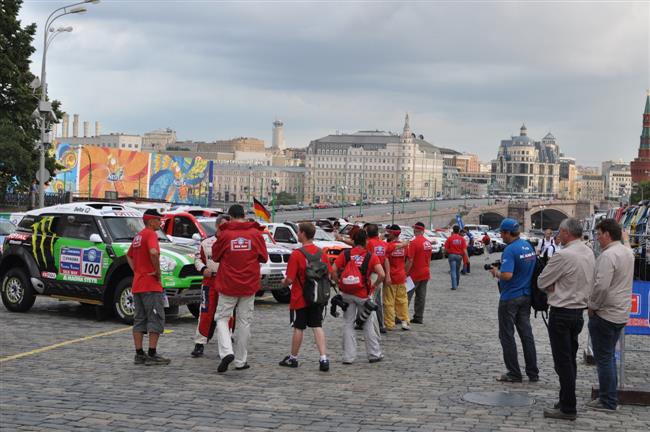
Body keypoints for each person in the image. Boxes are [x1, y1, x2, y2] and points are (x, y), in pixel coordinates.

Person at [537, 218, 596, 421]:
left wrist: (555, 287)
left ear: (566, 233)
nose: (557, 236)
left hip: (562, 312)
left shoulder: (563, 255)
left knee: (563, 362)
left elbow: (542, 281)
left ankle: (568, 407)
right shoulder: (589, 251)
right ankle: (565, 399)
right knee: (569, 359)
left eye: (560, 232)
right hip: (578, 312)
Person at [211, 204, 268, 373]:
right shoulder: (255, 233)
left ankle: (227, 351)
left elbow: (215, 256)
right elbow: (264, 257)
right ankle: (240, 360)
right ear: (244, 215)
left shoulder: (225, 234)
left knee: (221, 318)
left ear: (229, 216)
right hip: (248, 284)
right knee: (244, 322)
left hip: (228, 283)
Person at [586, 219, 634, 412]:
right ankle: (609, 397)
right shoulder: (627, 252)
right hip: (620, 313)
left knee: (604, 359)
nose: (597, 238)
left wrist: (592, 306)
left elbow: (601, 286)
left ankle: (608, 401)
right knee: (609, 358)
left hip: (605, 313)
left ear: (607, 234)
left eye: (598, 234)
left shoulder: (608, 256)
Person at [489, 218, 539, 383]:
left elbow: (508, 275)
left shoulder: (510, 250)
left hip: (510, 297)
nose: (501, 236)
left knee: (507, 335)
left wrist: (497, 272)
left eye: (502, 233)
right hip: (526, 296)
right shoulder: (528, 246)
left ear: (507, 232)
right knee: (526, 335)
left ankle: (514, 373)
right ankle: (533, 372)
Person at [279, 222, 333, 372]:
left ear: (302, 233)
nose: (297, 234)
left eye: (298, 232)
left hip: (300, 297)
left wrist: (282, 284)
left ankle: (293, 358)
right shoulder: (321, 253)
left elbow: (289, 279)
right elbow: (328, 274)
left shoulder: (297, 254)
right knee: (317, 326)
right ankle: (323, 358)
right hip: (317, 296)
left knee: (298, 327)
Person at [332, 230, 385, 364]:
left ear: (354, 241)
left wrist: (338, 282)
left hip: (347, 293)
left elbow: (332, 269)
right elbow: (382, 275)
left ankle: (348, 357)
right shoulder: (371, 256)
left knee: (348, 323)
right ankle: (374, 354)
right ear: (366, 241)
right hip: (362, 294)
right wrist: (374, 286)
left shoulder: (346, 254)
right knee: (367, 323)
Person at [126, 209, 170, 366]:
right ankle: (152, 353)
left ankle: (139, 354)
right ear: (151, 221)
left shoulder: (138, 236)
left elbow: (129, 255)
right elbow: (153, 252)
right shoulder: (151, 234)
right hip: (150, 284)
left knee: (139, 319)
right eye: (158, 220)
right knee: (155, 317)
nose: (160, 222)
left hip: (138, 284)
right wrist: (157, 271)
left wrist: (137, 271)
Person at [191, 214, 231, 358]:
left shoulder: (232, 242)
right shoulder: (206, 243)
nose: (225, 228)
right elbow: (197, 259)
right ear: (217, 226)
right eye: (223, 225)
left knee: (228, 313)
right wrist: (203, 269)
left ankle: (228, 341)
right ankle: (200, 343)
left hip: (227, 281)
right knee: (206, 312)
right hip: (210, 282)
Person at [383, 225, 411, 331]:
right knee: (402, 300)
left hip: (390, 277)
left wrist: (388, 275)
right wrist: (405, 272)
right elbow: (409, 260)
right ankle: (405, 321)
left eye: (388, 232)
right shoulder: (404, 246)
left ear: (392, 234)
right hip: (401, 276)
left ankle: (390, 323)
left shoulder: (388, 246)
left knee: (389, 301)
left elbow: (385, 260)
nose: (387, 234)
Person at [406, 222, 432, 324]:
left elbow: (410, 260)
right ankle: (419, 317)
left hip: (414, 273)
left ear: (415, 230)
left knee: (406, 296)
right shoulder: (427, 243)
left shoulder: (414, 243)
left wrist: (405, 272)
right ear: (423, 230)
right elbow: (429, 259)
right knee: (421, 296)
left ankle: (401, 317)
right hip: (425, 272)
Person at [365, 223, 387, 333]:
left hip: (372, 275)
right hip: (380, 274)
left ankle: (370, 324)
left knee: (370, 300)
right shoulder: (383, 244)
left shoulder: (369, 244)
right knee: (378, 301)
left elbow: (367, 258)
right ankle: (381, 323)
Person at [444, 225, 468, 290]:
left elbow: (445, 249)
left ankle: (454, 286)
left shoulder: (450, 238)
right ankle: (457, 283)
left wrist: (447, 252)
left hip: (451, 255)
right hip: (459, 256)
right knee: (457, 271)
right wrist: (467, 258)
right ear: (459, 231)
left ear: (453, 230)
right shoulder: (462, 239)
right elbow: (464, 250)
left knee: (453, 271)